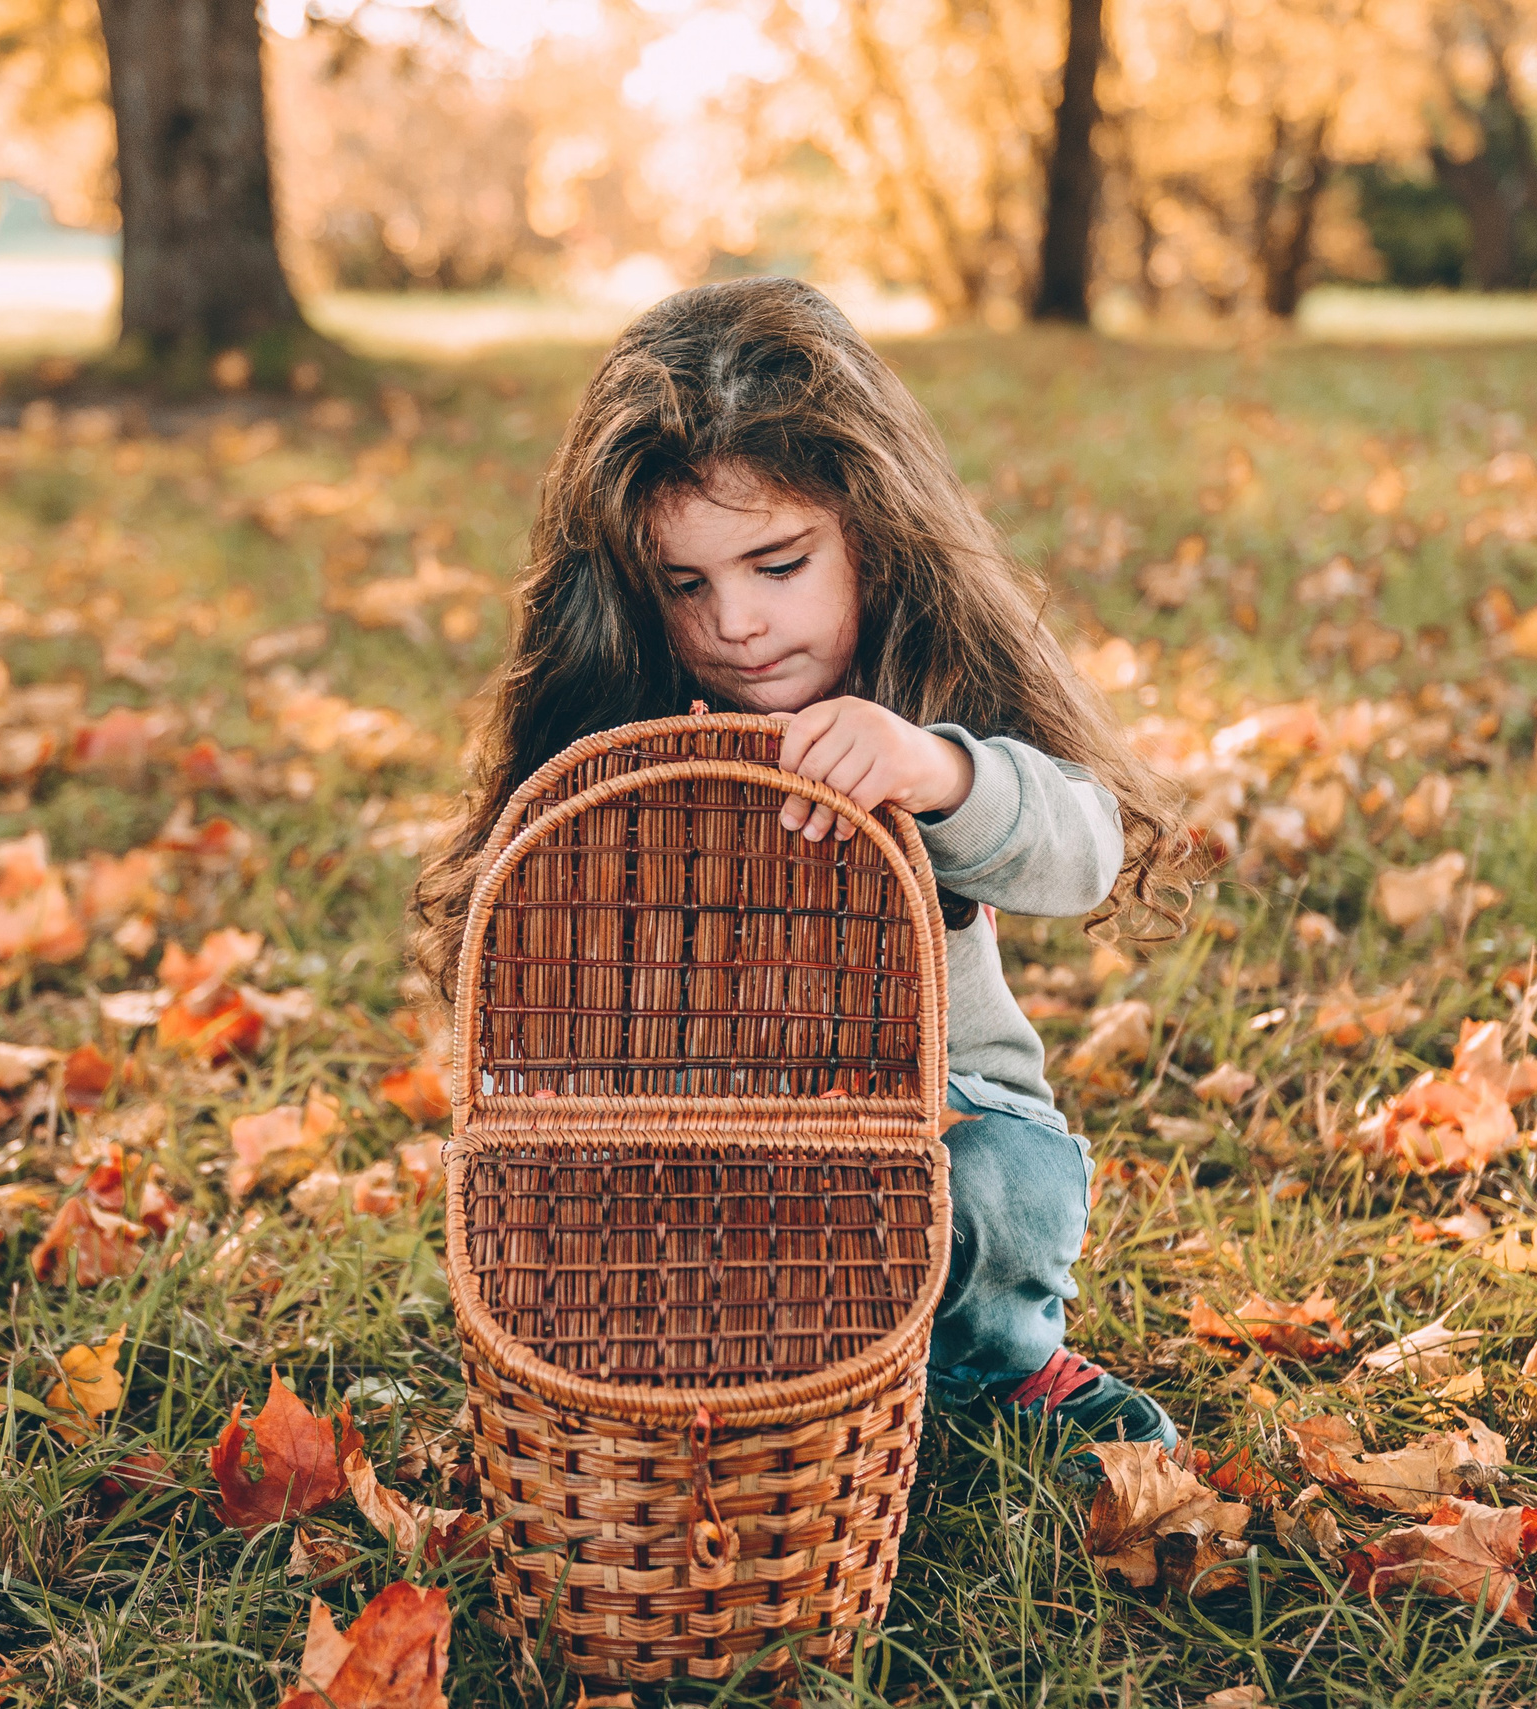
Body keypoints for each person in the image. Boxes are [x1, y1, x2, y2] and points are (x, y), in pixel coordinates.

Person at [413, 275, 1189, 1455]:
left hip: (928, 1123)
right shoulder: (626, 727)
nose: (736, 622)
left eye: (778, 564)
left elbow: (1086, 850)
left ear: (869, 534)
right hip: (703, 1133)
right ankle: (724, 1388)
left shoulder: (927, 698)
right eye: (688, 584)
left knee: (999, 1184)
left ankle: (985, 1363)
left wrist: (938, 771)